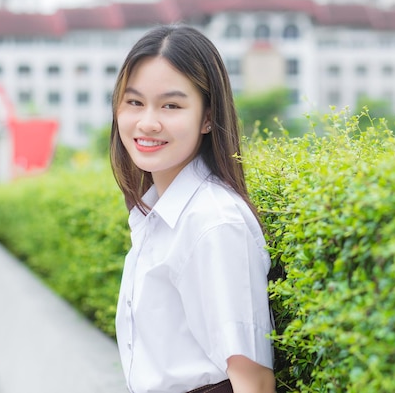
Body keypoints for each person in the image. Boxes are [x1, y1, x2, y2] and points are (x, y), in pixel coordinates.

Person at [110, 24, 276, 393]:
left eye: (171, 105)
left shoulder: (212, 222)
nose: (147, 122)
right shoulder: (159, 215)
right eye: (134, 102)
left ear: (206, 117)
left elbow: (255, 382)